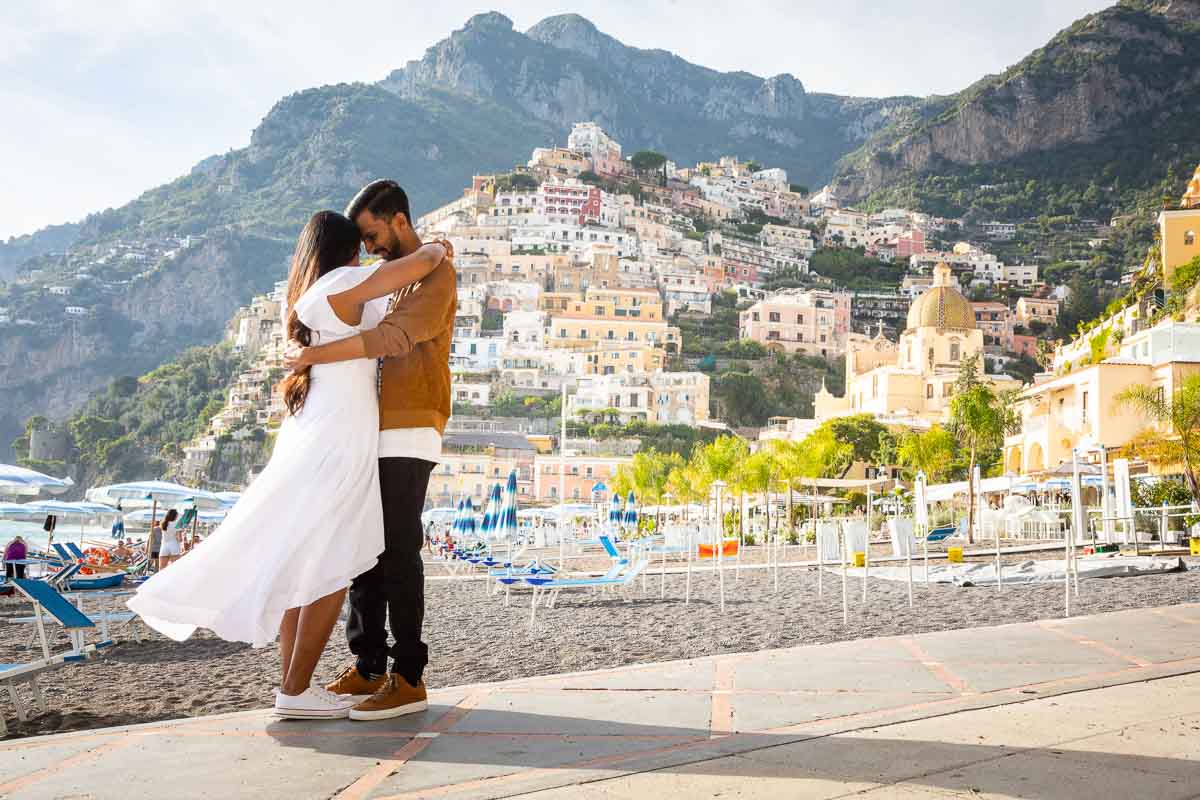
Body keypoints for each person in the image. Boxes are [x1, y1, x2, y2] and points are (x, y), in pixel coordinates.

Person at [129, 210, 448, 720]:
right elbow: (421, 264)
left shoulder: (303, 297)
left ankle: (292, 687)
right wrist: (435, 246)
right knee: (330, 566)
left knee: (304, 557)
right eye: (361, 245)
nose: (367, 253)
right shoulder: (343, 282)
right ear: (347, 251)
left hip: (316, 429)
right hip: (340, 436)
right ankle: (295, 689)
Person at [286, 180, 455, 722]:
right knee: (364, 551)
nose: (369, 246)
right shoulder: (386, 281)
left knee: (399, 552)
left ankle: (408, 676)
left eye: (373, 234)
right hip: (370, 430)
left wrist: (312, 357)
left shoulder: (436, 275)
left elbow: (393, 340)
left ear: (398, 220)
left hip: (410, 425)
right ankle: (368, 665)